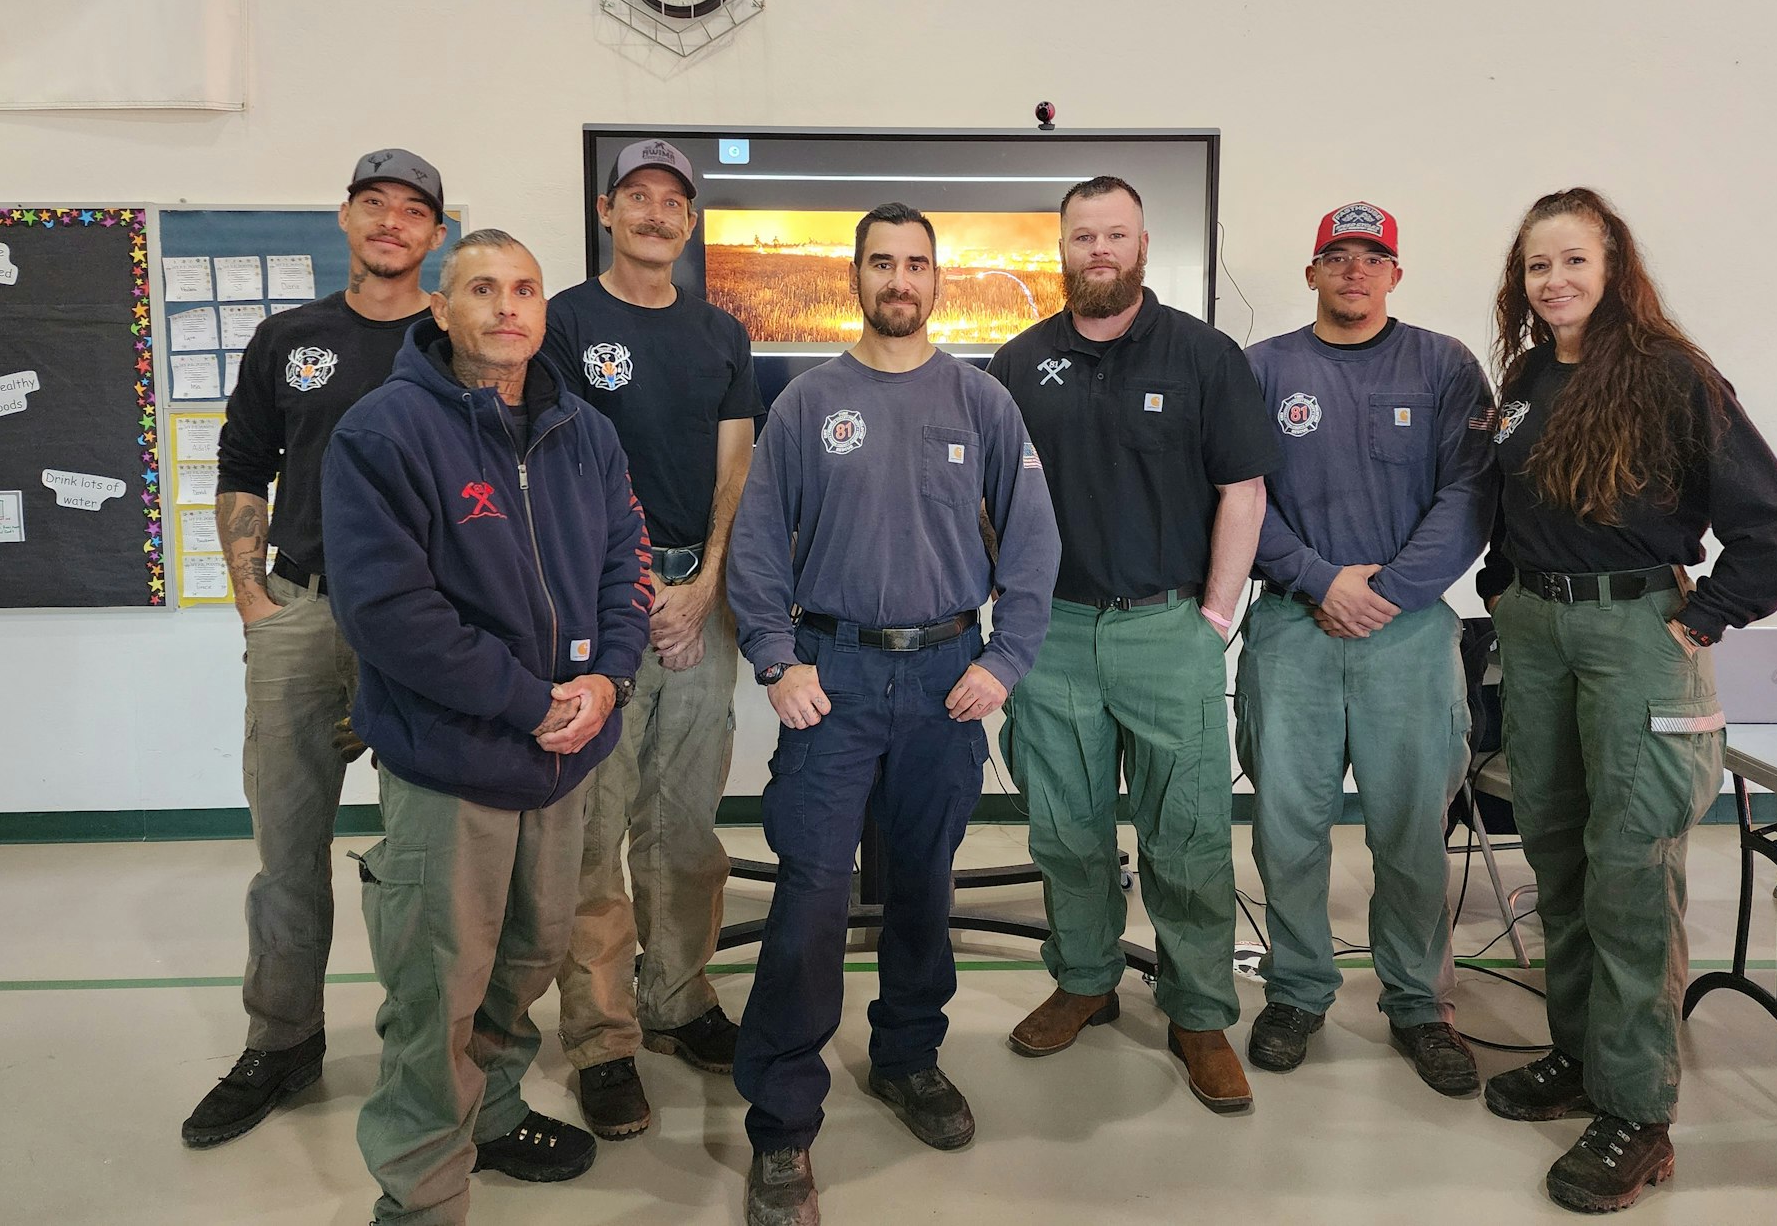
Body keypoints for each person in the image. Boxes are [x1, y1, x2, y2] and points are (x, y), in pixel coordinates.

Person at [1476, 187, 1777, 1213]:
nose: (1553, 282)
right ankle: (1579, 1056)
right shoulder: (1527, 376)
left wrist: (1704, 617)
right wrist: (1502, 592)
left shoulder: (1671, 377)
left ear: (1613, 268)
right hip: (1535, 635)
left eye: (1572, 261)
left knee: (1630, 868)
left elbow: (1775, 525)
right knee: (1557, 849)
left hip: (1635, 637)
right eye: (1537, 267)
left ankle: (1637, 1110)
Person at [726, 203, 1059, 1226]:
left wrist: (1002, 661)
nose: (899, 279)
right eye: (882, 263)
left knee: (921, 887)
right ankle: (782, 1124)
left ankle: (907, 1058)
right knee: (812, 899)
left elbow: (1034, 545)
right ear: (857, 277)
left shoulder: (982, 401)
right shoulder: (806, 403)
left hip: (944, 679)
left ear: (936, 280)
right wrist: (775, 660)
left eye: (916, 263)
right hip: (829, 679)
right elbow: (756, 549)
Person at [321, 229, 654, 1225]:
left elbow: (621, 568)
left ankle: (497, 1114)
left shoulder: (583, 432)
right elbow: (389, 616)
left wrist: (607, 686)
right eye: (481, 289)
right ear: (441, 308)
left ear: (542, 310)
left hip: (562, 765)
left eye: (522, 289)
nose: (506, 307)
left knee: (523, 966)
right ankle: (422, 1197)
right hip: (451, 766)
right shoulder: (383, 435)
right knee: (437, 992)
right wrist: (530, 700)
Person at [987, 175, 1274, 1115]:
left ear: (1143, 245)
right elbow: (989, 505)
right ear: (1061, 247)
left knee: (1187, 836)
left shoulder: (1204, 356)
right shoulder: (1018, 365)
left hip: (1168, 630)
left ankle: (1198, 1014)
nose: (1098, 251)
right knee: (1064, 830)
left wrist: (1216, 620)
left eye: (1116, 235)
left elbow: (1243, 489)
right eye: (1083, 237)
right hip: (1056, 636)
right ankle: (1084, 979)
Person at [185, 148, 448, 1148]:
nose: (391, 222)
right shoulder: (288, 338)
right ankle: (283, 1042)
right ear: (345, 218)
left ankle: (424, 1049)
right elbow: (243, 463)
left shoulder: (454, 341)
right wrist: (254, 600)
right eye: (373, 204)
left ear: (436, 233)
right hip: (302, 612)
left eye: (413, 210)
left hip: (423, 632)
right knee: (287, 853)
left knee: (419, 856)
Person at [1236, 202, 1495, 1096]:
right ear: (1310, 272)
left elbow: (1469, 496)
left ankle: (1421, 1004)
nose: (1354, 271)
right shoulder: (1262, 369)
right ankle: (1297, 991)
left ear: (1395, 272)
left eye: (1371, 257)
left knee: (1412, 830)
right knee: (1287, 828)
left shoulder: (1444, 367)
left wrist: (1385, 591)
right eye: (1336, 257)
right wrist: (1317, 578)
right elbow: (1236, 496)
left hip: (1410, 634)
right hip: (1291, 629)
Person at [540, 139, 764, 1138]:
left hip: (699, 599)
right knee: (596, 830)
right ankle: (601, 1036)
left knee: (685, 823)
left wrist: (707, 578)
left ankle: (678, 998)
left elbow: (736, 460)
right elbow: (551, 471)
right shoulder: (559, 327)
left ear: (688, 220)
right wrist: (633, 589)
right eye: (637, 196)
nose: (655, 214)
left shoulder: (721, 334)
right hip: (598, 606)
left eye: (672, 201)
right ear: (606, 209)